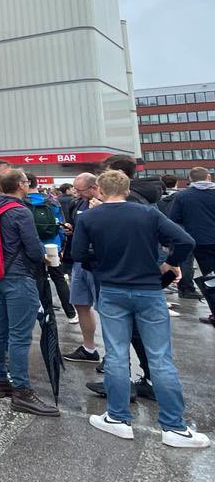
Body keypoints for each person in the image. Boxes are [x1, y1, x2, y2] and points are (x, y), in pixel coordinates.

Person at [75, 170, 209, 448]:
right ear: (126, 188)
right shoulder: (147, 214)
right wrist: (170, 263)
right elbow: (185, 240)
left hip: (112, 288)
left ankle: (118, 417)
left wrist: (99, 267)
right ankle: (174, 426)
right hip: (149, 288)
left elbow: (77, 255)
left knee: (115, 354)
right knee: (160, 357)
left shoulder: (89, 217)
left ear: (99, 188)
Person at [0, 168, 58, 416]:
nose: (28, 185)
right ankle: (22, 390)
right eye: (26, 182)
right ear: (19, 185)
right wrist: (45, 258)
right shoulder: (20, 211)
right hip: (19, 275)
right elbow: (33, 249)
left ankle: (0, 380)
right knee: (19, 335)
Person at [23, 173, 76, 321]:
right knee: (58, 278)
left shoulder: (21, 202)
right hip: (53, 245)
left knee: (38, 278)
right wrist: (60, 245)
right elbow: (60, 224)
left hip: (32, 246)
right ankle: (71, 313)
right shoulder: (52, 200)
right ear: (37, 183)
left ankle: (42, 313)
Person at [62, 172, 103, 363]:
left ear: (94, 188)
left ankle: (114, 357)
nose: (76, 193)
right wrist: (71, 229)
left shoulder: (105, 203)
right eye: (75, 189)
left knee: (105, 307)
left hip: (98, 263)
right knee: (80, 303)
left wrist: (102, 211)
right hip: (79, 261)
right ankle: (89, 348)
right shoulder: (77, 203)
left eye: (80, 190)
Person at [168, 166, 215, 325]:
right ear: (208, 177)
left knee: (211, 279)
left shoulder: (183, 196)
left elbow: (174, 219)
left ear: (190, 179)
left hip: (199, 241)